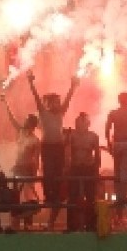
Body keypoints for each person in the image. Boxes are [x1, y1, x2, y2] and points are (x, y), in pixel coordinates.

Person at [27, 71, 78, 205]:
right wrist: (31, 83)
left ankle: (56, 195)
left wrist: (72, 87)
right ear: (48, 103)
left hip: (59, 146)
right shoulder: (43, 113)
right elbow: (36, 98)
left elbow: (68, 99)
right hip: (48, 146)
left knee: (59, 171)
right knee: (48, 171)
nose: (58, 104)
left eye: (58, 102)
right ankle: (48, 195)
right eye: (55, 102)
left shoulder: (60, 113)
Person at [1, 93, 41, 230]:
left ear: (32, 124)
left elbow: (36, 159)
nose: (24, 122)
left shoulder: (36, 141)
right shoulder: (21, 132)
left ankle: (26, 224)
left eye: (27, 121)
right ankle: (15, 224)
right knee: (15, 198)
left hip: (27, 171)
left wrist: (34, 174)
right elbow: (11, 118)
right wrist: (5, 102)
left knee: (29, 200)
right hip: (17, 169)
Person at [105, 91, 127, 206]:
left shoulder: (114, 113)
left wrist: (110, 144)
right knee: (123, 171)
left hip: (119, 143)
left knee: (119, 171)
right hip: (126, 143)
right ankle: (122, 197)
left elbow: (107, 130)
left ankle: (120, 197)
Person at [67, 112, 100, 231]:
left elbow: (97, 155)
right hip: (75, 168)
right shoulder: (72, 136)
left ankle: (91, 226)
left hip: (88, 168)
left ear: (88, 123)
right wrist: (68, 167)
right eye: (78, 121)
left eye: (83, 121)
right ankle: (71, 226)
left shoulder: (93, 136)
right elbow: (67, 152)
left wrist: (96, 170)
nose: (80, 124)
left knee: (90, 197)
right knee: (72, 197)